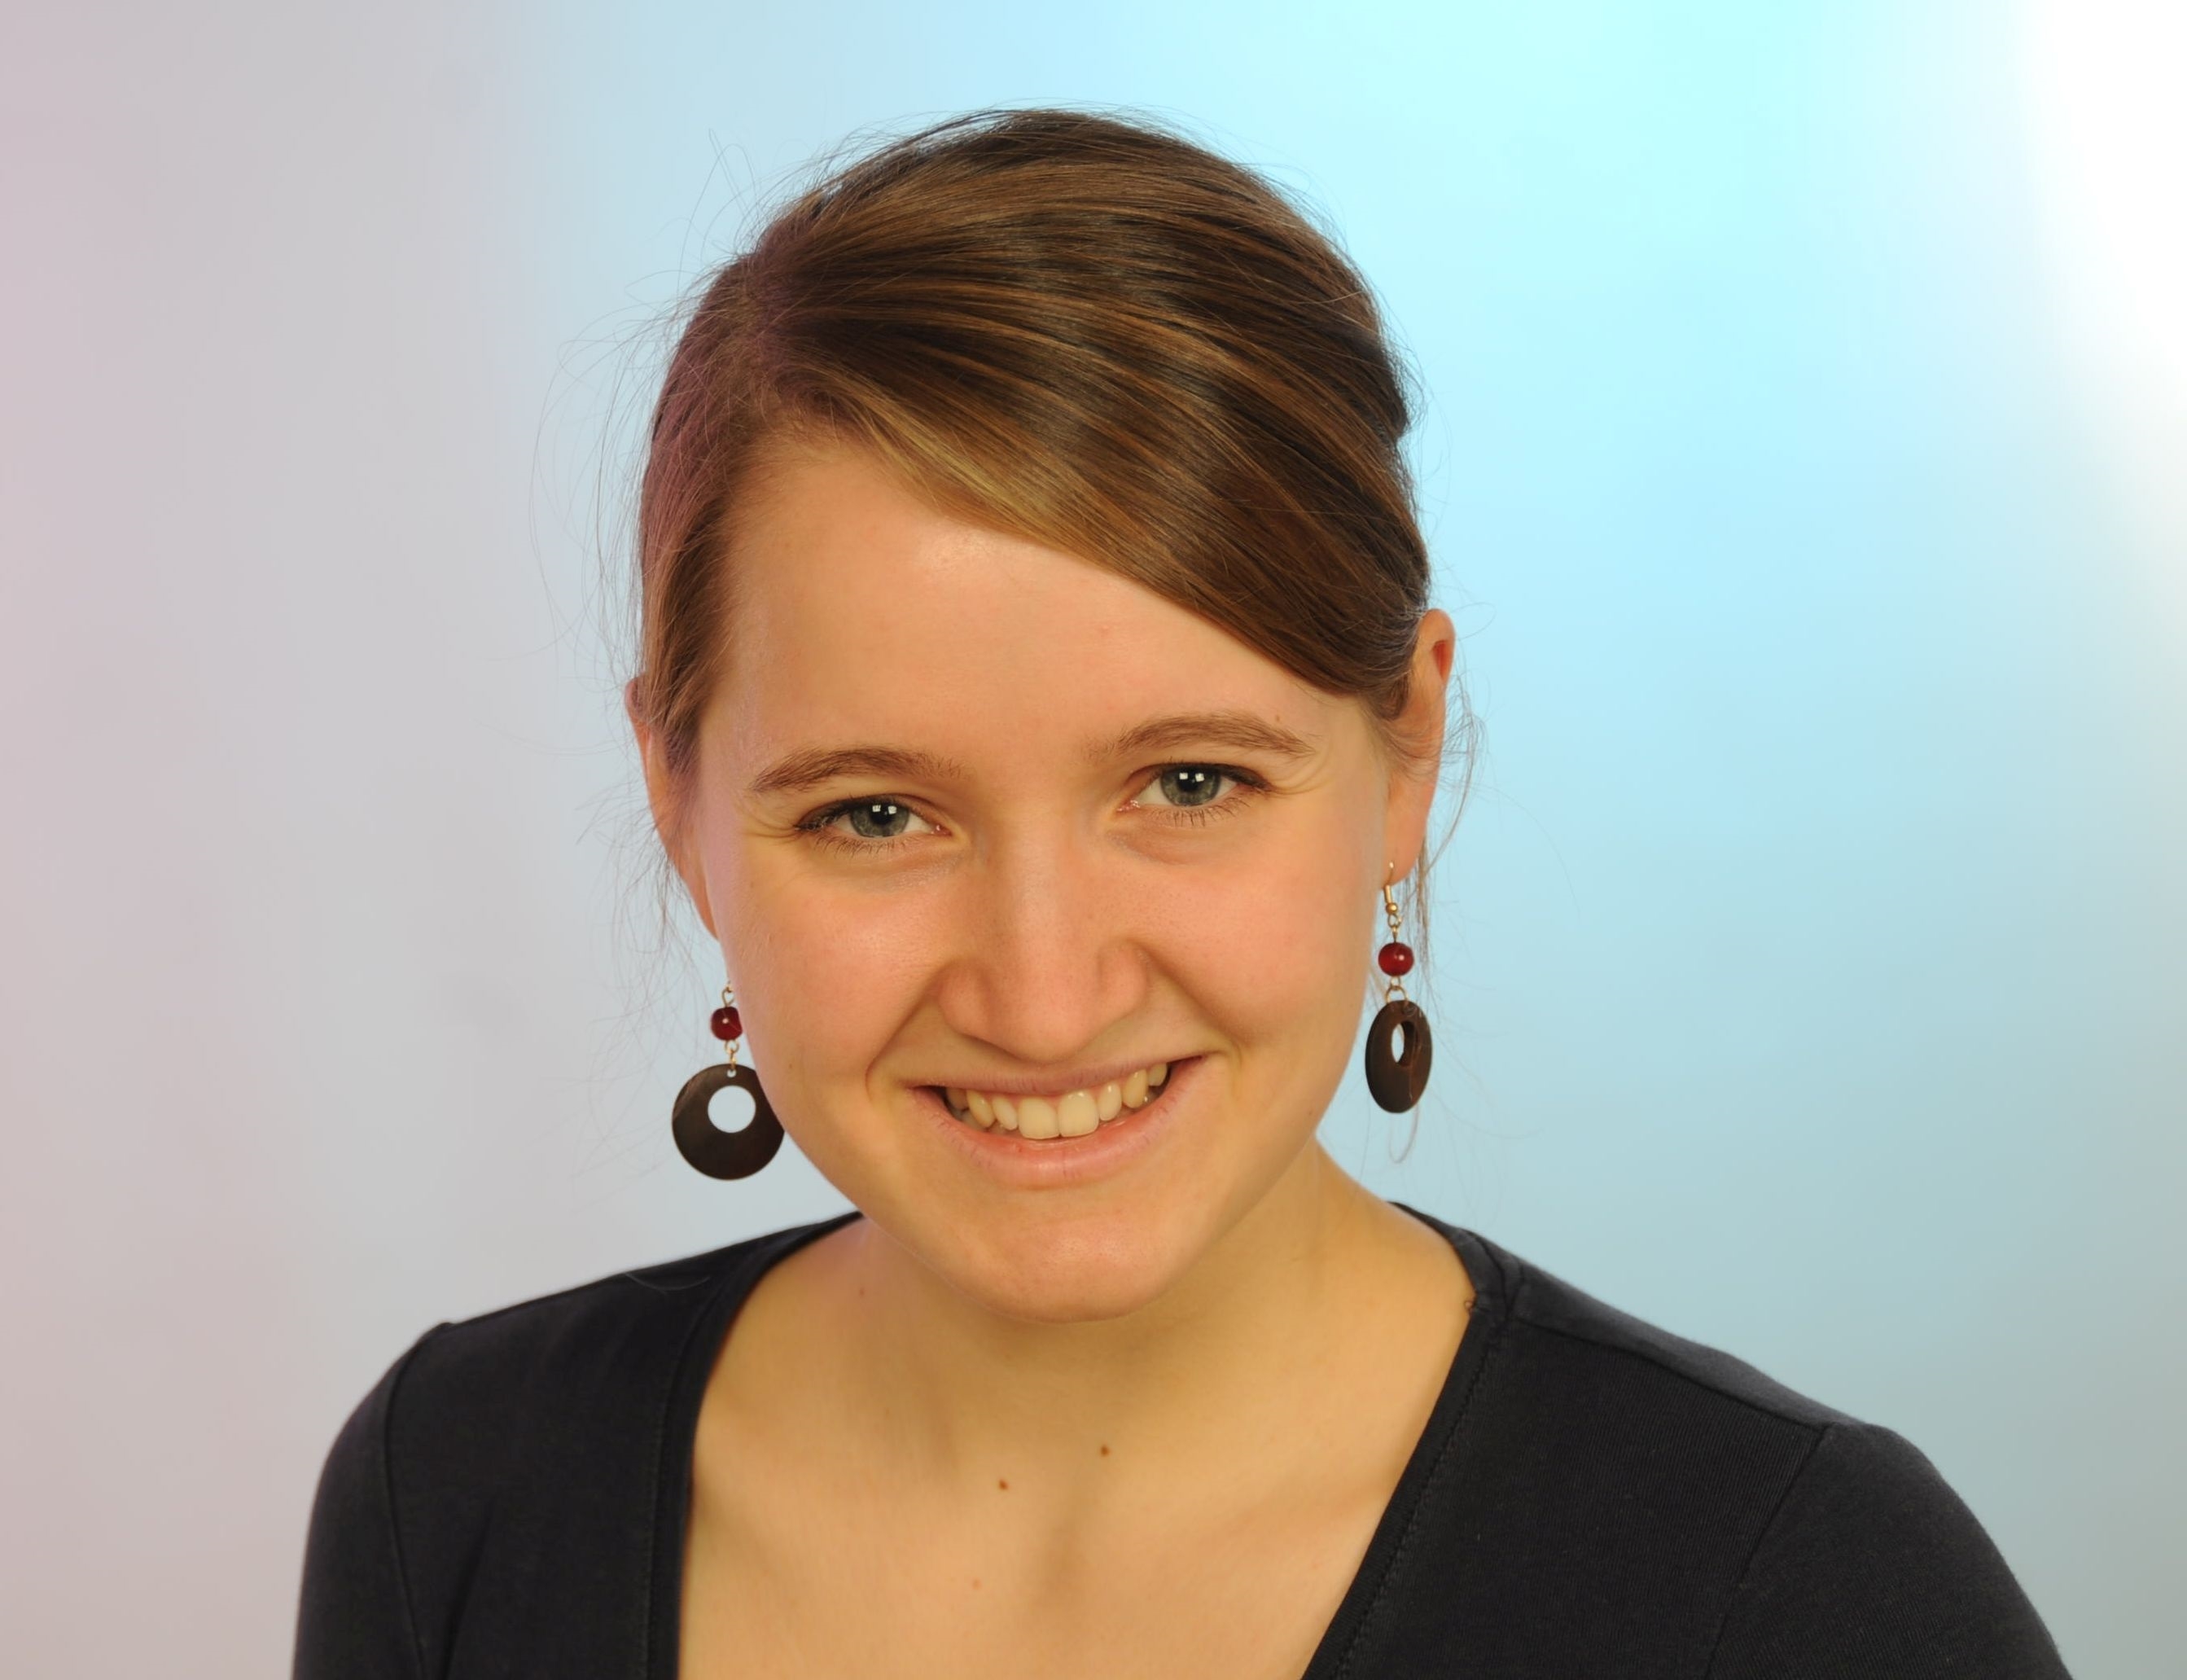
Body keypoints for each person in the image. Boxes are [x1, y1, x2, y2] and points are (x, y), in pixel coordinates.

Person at [291, 107, 2070, 1678]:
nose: (1041, 995)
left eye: (1190, 784)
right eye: (875, 815)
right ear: (675, 800)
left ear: (1404, 751)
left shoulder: (1803, 1597)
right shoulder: (452, 1495)